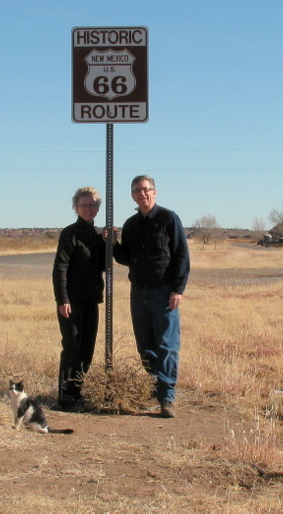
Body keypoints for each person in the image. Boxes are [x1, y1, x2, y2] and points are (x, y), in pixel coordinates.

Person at [111, 175, 190, 418]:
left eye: (146, 189)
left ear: (154, 192)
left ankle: (167, 397)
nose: (142, 193)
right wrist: (112, 243)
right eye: (137, 190)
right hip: (139, 293)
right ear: (133, 196)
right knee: (145, 346)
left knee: (166, 345)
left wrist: (178, 289)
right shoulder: (131, 224)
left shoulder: (169, 218)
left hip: (164, 292)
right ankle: (153, 387)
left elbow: (181, 256)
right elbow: (126, 258)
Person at [52, 186, 106, 409]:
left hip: (91, 300)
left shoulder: (97, 235)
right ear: (76, 208)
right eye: (84, 205)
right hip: (71, 301)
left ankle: (77, 392)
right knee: (72, 347)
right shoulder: (69, 233)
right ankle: (65, 397)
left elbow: (103, 265)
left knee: (87, 348)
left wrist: (108, 242)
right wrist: (62, 299)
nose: (89, 208)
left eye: (92, 205)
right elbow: (60, 268)